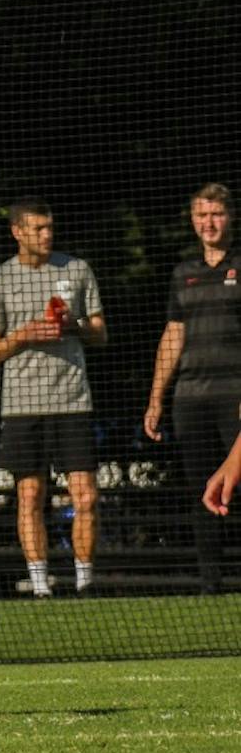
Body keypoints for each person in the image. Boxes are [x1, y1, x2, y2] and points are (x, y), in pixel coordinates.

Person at [0, 198, 108, 598]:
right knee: (30, 495)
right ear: (17, 231)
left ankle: (85, 581)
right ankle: (40, 586)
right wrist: (24, 335)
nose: (47, 235)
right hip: (22, 405)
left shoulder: (77, 269)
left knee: (86, 494)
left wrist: (75, 324)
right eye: (38, 228)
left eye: (50, 227)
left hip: (73, 400)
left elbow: (100, 334)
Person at [144, 183, 241, 593]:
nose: (209, 223)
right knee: (201, 488)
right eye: (202, 215)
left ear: (230, 217)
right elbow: (173, 334)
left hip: (235, 395)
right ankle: (210, 583)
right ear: (192, 221)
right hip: (191, 399)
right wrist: (155, 399)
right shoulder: (183, 274)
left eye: (216, 214)